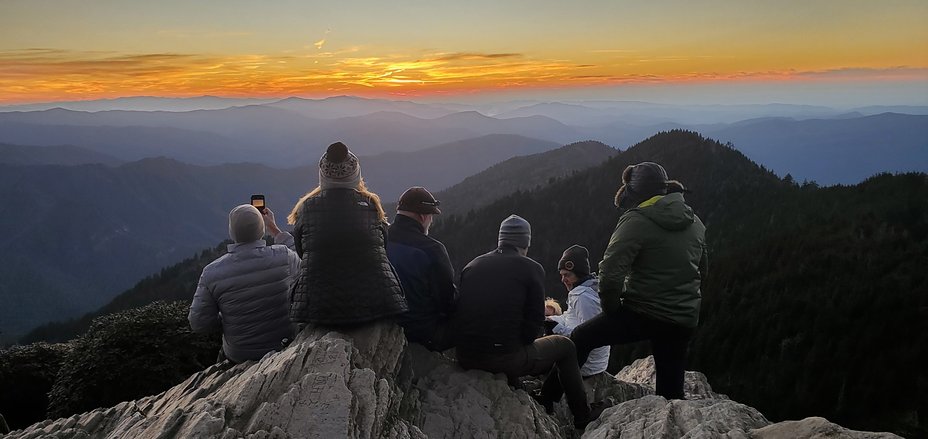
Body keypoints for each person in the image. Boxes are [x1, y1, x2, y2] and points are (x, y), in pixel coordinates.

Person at [548, 161, 707, 400]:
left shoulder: (636, 220)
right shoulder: (695, 222)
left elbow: (610, 273)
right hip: (683, 318)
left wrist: (612, 311)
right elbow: (703, 270)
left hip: (644, 312)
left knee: (581, 338)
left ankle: (548, 398)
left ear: (634, 194)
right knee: (670, 392)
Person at [452, 215, 600, 429]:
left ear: (500, 239)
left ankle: (516, 383)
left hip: (465, 356)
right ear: (526, 243)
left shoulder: (473, 265)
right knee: (566, 347)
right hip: (503, 359)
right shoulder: (531, 268)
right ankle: (582, 415)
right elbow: (533, 325)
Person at [287, 142, 408, 325]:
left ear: (322, 175)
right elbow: (382, 245)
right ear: (355, 174)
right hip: (377, 300)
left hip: (318, 305)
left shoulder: (305, 209)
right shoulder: (372, 206)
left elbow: (301, 252)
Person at [188, 204, 300, 363]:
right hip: (284, 345)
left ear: (232, 232)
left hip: (240, 354)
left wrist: (229, 316)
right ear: (261, 230)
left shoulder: (211, 273)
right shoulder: (284, 257)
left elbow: (198, 323)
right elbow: (304, 261)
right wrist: (273, 228)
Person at [386, 186, 458, 351]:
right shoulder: (432, 249)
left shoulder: (378, 239)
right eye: (431, 217)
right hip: (423, 333)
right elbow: (446, 301)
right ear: (423, 216)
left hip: (386, 325)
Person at [546, 245, 610, 377]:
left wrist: (557, 328)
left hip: (586, 364)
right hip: (595, 362)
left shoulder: (583, 297)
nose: (563, 279)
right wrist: (553, 319)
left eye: (567, 275)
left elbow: (588, 335)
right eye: (562, 275)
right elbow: (572, 318)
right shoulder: (588, 289)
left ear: (579, 274)